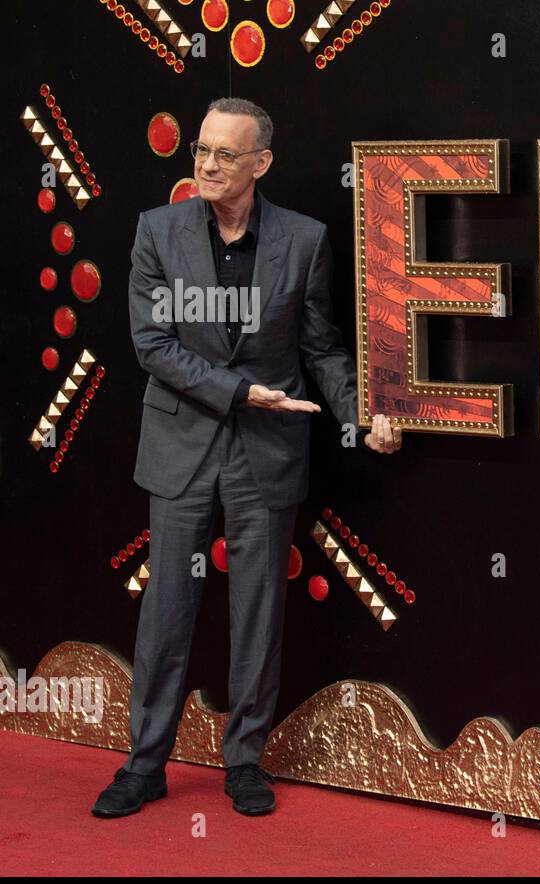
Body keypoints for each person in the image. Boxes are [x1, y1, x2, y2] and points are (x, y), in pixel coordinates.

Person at [92, 97, 402, 819]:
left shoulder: (305, 240)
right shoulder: (157, 232)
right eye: (200, 149)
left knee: (258, 609)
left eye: (224, 154)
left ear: (260, 162)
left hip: (267, 452)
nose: (205, 164)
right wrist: (241, 393)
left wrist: (362, 412)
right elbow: (153, 347)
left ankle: (245, 761)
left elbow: (321, 348)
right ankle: (144, 765)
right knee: (166, 608)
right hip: (182, 444)